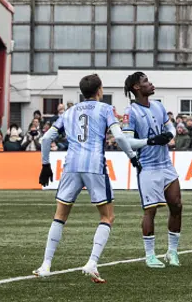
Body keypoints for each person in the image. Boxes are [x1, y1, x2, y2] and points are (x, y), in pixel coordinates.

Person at [34, 74, 140, 283]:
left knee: (60, 216)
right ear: (99, 89)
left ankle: (45, 265)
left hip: (71, 166)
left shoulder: (70, 111)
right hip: (94, 165)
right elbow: (119, 136)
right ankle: (92, 262)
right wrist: (133, 157)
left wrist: (45, 164)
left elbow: (46, 138)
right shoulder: (106, 109)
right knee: (107, 217)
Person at [122, 72, 182, 268]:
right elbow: (127, 140)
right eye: (145, 81)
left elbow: (170, 126)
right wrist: (150, 141)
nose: (150, 84)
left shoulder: (158, 105)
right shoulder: (130, 112)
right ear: (137, 88)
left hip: (166, 164)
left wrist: (168, 135)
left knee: (177, 206)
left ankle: (172, 252)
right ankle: (150, 255)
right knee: (150, 211)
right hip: (147, 167)